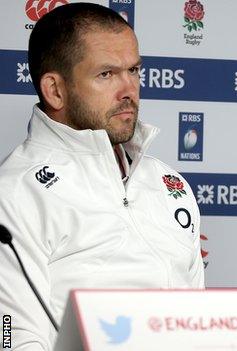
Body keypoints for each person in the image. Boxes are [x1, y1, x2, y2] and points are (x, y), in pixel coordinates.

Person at [0, 3, 204, 350]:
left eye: (134, 70)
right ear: (55, 90)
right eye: (106, 74)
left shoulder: (169, 183)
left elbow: (201, 321)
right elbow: (13, 337)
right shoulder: (15, 192)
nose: (129, 90)